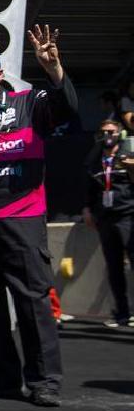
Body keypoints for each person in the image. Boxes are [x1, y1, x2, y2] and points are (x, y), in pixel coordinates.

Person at [0, 30, 76, 407]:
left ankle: (44, 381)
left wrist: (54, 70)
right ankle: (3, 378)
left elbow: (67, 109)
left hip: (22, 218)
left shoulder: (29, 103)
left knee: (32, 301)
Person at [84, 118, 134, 328]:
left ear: (120, 135)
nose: (108, 136)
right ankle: (121, 313)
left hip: (128, 216)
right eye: (104, 132)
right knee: (114, 268)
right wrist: (86, 209)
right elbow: (90, 189)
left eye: (112, 132)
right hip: (105, 219)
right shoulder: (95, 162)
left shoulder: (128, 157)